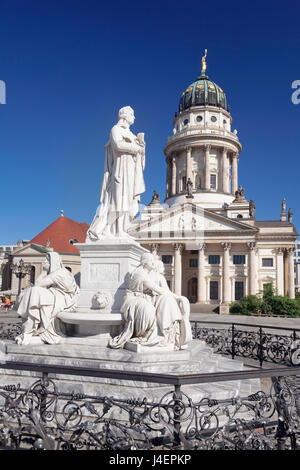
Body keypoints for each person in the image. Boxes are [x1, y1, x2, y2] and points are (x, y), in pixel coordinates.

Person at [87, 106, 146, 240]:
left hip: (131, 171)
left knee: (129, 202)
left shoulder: (132, 135)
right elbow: (118, 146)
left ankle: (121, 230)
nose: (134, 117)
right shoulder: (116, 129)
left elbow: (140, 157)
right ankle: (112, 229)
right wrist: (136, 148)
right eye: (132, 115)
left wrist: (142, 146)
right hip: (120, 170)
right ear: (125, 116)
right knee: (119, 200)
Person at [16, 252, 79, 345]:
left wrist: (44, 271)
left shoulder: (58, 274)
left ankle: (31, 328)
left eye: (47, 260)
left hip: (63, 298)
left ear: (53, 262)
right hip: (57, 295)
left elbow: (38, 284)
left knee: (34, 292)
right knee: (32, 292)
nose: (44, 262)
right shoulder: (60, 272)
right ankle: (31, 327)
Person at [150, 260, 192, 350]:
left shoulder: (155, 276)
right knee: (168, 300)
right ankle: (169, 330)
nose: (164, 269)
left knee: (168, 300)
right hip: (155, 299)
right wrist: (178, 298)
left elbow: (166, 292)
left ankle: (170, 330)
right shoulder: (158, 277)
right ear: (157, 267)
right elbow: (166, 291)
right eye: (162, 267)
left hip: (158, 298)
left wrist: (178, 297)